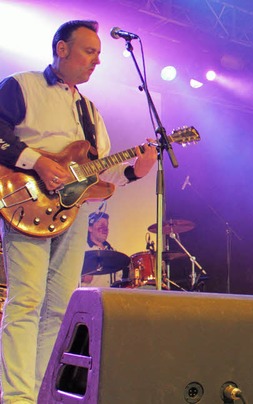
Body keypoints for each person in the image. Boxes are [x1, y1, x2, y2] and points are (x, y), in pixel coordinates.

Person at [0, 20, 156, 402]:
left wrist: (136, 169)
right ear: (62, 49)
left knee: (58, 308)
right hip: (27, 202)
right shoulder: (21, 85)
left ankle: (39, 393)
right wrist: (37, 160)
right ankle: (15, 396)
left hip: (72, 213)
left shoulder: (90, 111)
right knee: (26, 300)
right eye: (90, 51)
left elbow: (97, 174)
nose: (97, 61)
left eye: (100, 54)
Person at [81, 212, 126, 288]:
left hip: (108, 297)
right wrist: (82, 278)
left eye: (106, 225)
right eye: (100, 223)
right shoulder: (81, 249)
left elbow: (119, 278)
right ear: (90, 228)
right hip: (87, 297)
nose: (104, 228)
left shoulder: (114, 253)